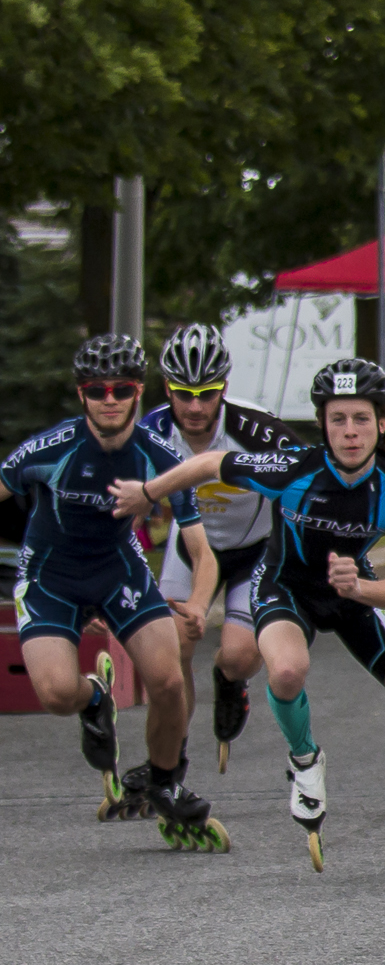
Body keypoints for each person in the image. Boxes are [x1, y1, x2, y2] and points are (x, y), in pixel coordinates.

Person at [122, 360, 385, 872]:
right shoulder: (294, 467)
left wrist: (360, 586)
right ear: (323, 425)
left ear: (382, 424)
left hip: (357, 593)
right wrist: (149, 492)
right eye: (337, 420)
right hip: (286, 588)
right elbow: (209, 465)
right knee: (287, 670)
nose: (350, 432)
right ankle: (305, 759)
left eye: (360, 419)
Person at [4, 335, 222, 849]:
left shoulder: (162, 458)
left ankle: (165, 780)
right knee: (56, 695)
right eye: (96, 389)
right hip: (50, 576)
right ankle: (93, 697)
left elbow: (201, 551)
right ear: (82, 395)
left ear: (138, 393)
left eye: (120, 389)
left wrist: (197, 603)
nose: (109, 399)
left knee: (168, 682)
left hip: (117, 571)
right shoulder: (50, 448)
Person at [145, 323, 296, 774]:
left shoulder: (255, 428)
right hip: (189, 547)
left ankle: (230, 681)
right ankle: (173, 759)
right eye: (183, 393)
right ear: (166, 388)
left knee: (238, 656)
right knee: (172, 652)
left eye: (207, 393)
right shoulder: (149, 432)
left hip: (254, 549)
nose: (194, 406)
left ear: (224, 388)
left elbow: (306, 485)